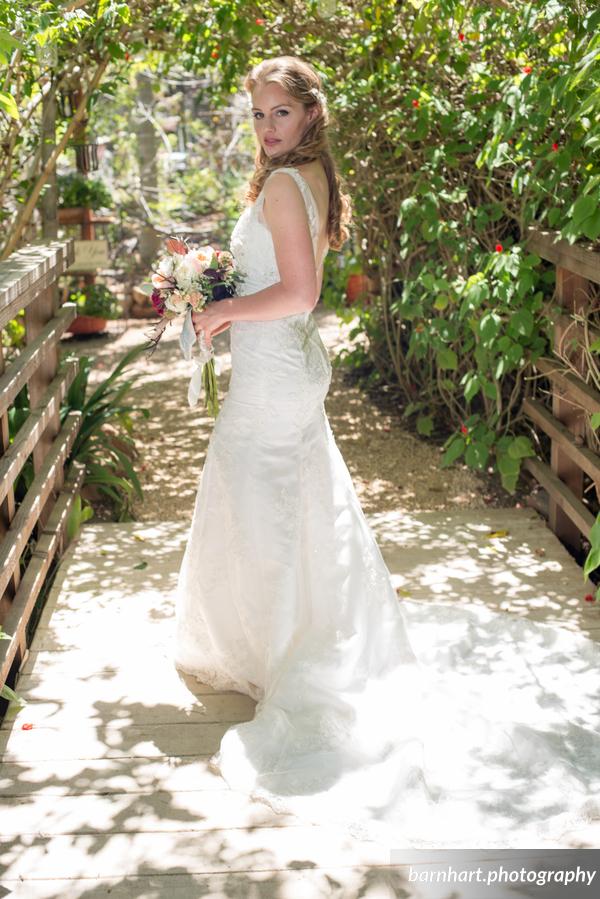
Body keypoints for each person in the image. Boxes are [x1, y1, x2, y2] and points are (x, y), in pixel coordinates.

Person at [171, 55, 600, 848]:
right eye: (258, 114)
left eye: (280, 113)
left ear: (310, 114)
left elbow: (300, 294)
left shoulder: (283, 185)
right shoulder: (310, 176)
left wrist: (222, 310)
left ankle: (282, 651)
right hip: (283, 368)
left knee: (263, 500)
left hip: (274, 375)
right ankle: (284, 636)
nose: (267, 128)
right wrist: (221, 290)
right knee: (287, 499)